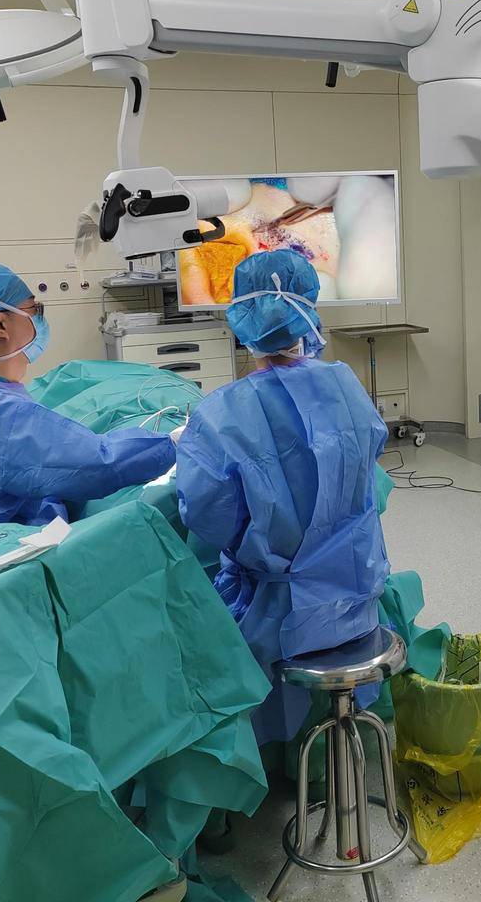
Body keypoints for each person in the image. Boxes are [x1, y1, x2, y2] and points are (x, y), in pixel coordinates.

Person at [174, 249, 390, 746]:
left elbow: (206, 515)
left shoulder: (222, 413)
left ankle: (271, 754)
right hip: (357, 600)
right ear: (307, 313)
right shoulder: (346, 385)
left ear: (241, 322)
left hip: (277, 616)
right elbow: (368, 470)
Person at [0, 259, 176, 526]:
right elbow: (100, 464)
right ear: (0, 324)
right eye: (34, 310)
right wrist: (173, 443)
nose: (40, 319)